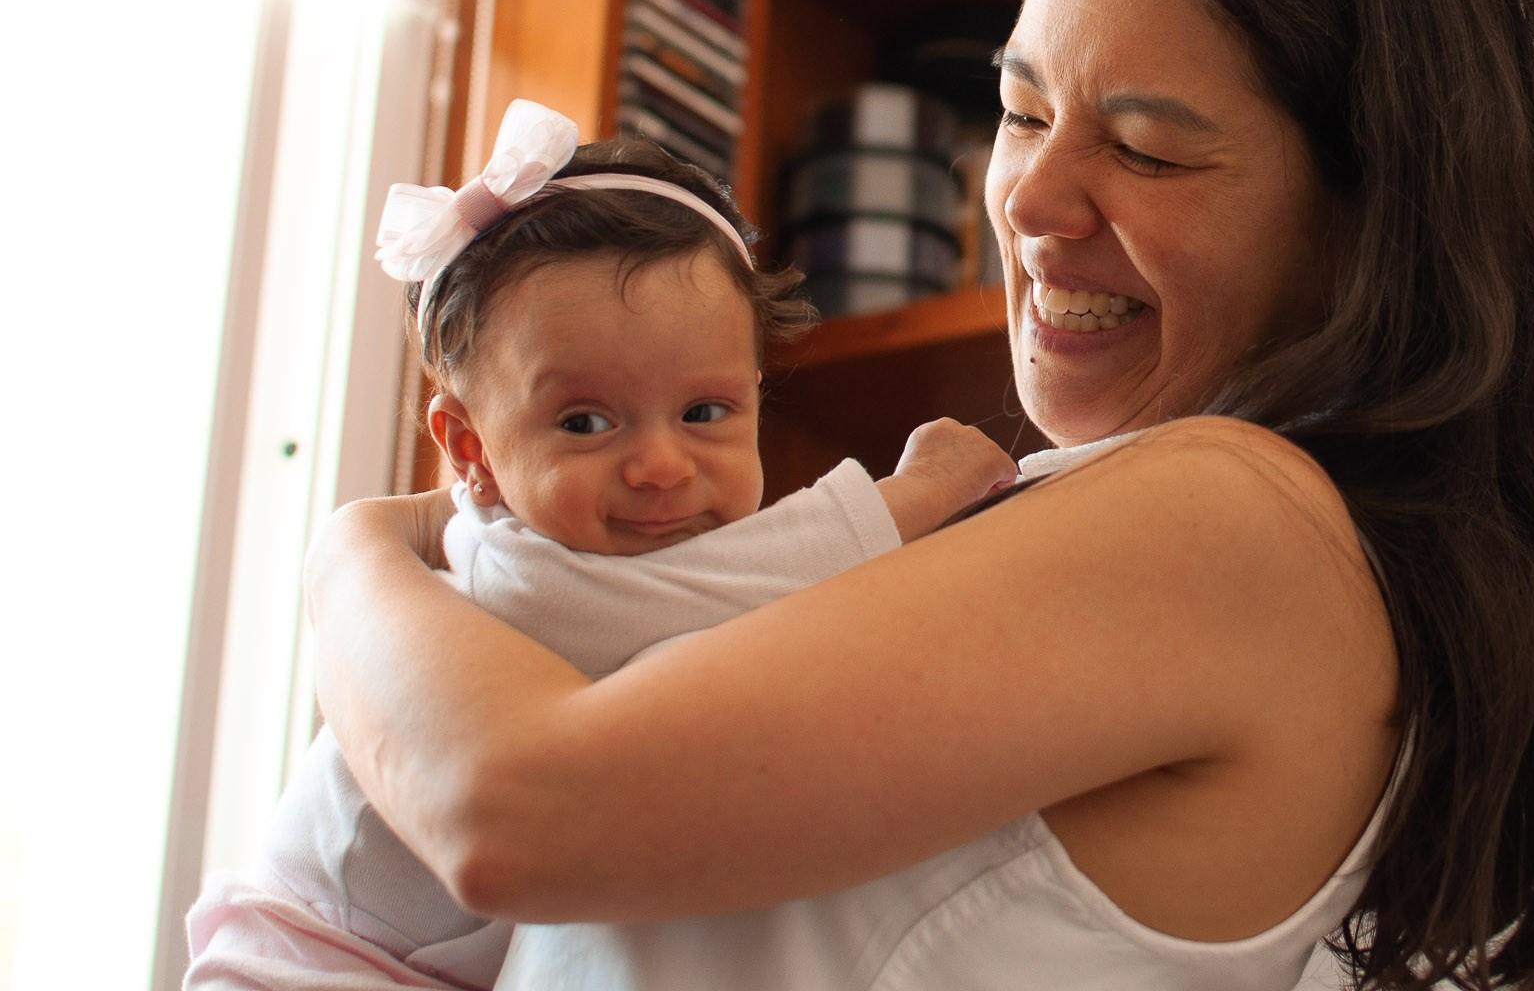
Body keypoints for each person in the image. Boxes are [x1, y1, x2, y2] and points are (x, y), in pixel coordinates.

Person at [303, 0, 1534, 990]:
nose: (1032, 201)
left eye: (1150, 152)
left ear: (1367, 219)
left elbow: (510, 811)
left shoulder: (1239, 522)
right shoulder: (1166, 528)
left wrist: (355, 549)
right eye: (1022, 113)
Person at [185, 102, 1018, 989]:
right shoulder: (508, 573)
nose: (660, 465)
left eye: (706, 412)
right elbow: (709, 591)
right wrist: (912, 495)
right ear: (471, 451)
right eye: (585, 423)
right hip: (305, 965)